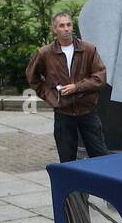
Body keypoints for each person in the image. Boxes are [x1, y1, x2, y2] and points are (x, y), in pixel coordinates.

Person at [25, 11, 108, 163]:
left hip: (87, 111)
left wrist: (77, 87)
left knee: (100, 155)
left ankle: (103, 186)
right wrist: (50, 96)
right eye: (62, 26)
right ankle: (72, 187)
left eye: (69, 25)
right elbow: (32, 77)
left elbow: (100, 77)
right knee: (67, 158)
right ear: (54, 29)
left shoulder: (88, 49)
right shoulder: (45, 53)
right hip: (63, 112)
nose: (66, 29)